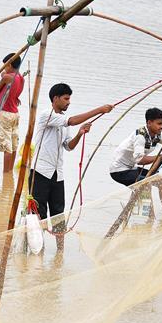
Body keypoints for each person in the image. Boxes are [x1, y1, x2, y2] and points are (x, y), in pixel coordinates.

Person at [30, 83, 112, 248]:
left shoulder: (63, 123)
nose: (69, 102)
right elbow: (72, 121)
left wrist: (80, 134)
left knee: (59, 215)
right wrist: (99, 110)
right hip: (40, 172)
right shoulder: (47, 115)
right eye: (66, 99)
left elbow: (69, 146)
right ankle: (38, 250)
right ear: (55, 99)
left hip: (57, 174)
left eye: (69, 99)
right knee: (39, 215)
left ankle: (60, 252)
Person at [0, 52, 25, 173]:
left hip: (5, 114)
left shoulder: (7, 77)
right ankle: (10, 173)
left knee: (7, 147)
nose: (4, 68)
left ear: (10, 65)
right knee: (14, 144)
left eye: (5, 65)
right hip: (15, 114)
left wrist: (3, 76)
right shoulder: (21, 78)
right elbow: (16, 94)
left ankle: (5, 173)